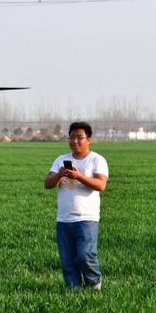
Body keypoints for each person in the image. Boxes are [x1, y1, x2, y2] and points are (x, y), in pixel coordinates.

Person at [43, 121, 109, 290]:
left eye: (80, 137)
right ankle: (74, 291)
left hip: (87, 219)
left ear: (89, 139)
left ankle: (94, 284)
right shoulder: (61, 160)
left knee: (85, 256)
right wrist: (59, 174)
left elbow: (101, 185)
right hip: (64, 220)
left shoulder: (96, 160)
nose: (75, 141)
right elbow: (47, 184)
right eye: (72, 137)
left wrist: (78, 176)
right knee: (67, 261)